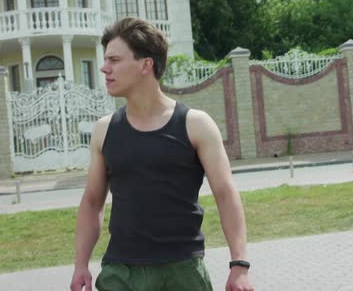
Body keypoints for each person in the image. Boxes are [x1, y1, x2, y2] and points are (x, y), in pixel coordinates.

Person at [69, 17, 253, 291]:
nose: (104, 68)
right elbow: (92, 202)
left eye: (115, 60)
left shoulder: (195, 125)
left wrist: (239, 265)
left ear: (146, 64)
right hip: (121, 274)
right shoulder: (104, 130)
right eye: (106, 60)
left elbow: (226, 194)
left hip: (182, 273)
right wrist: (81, 265)